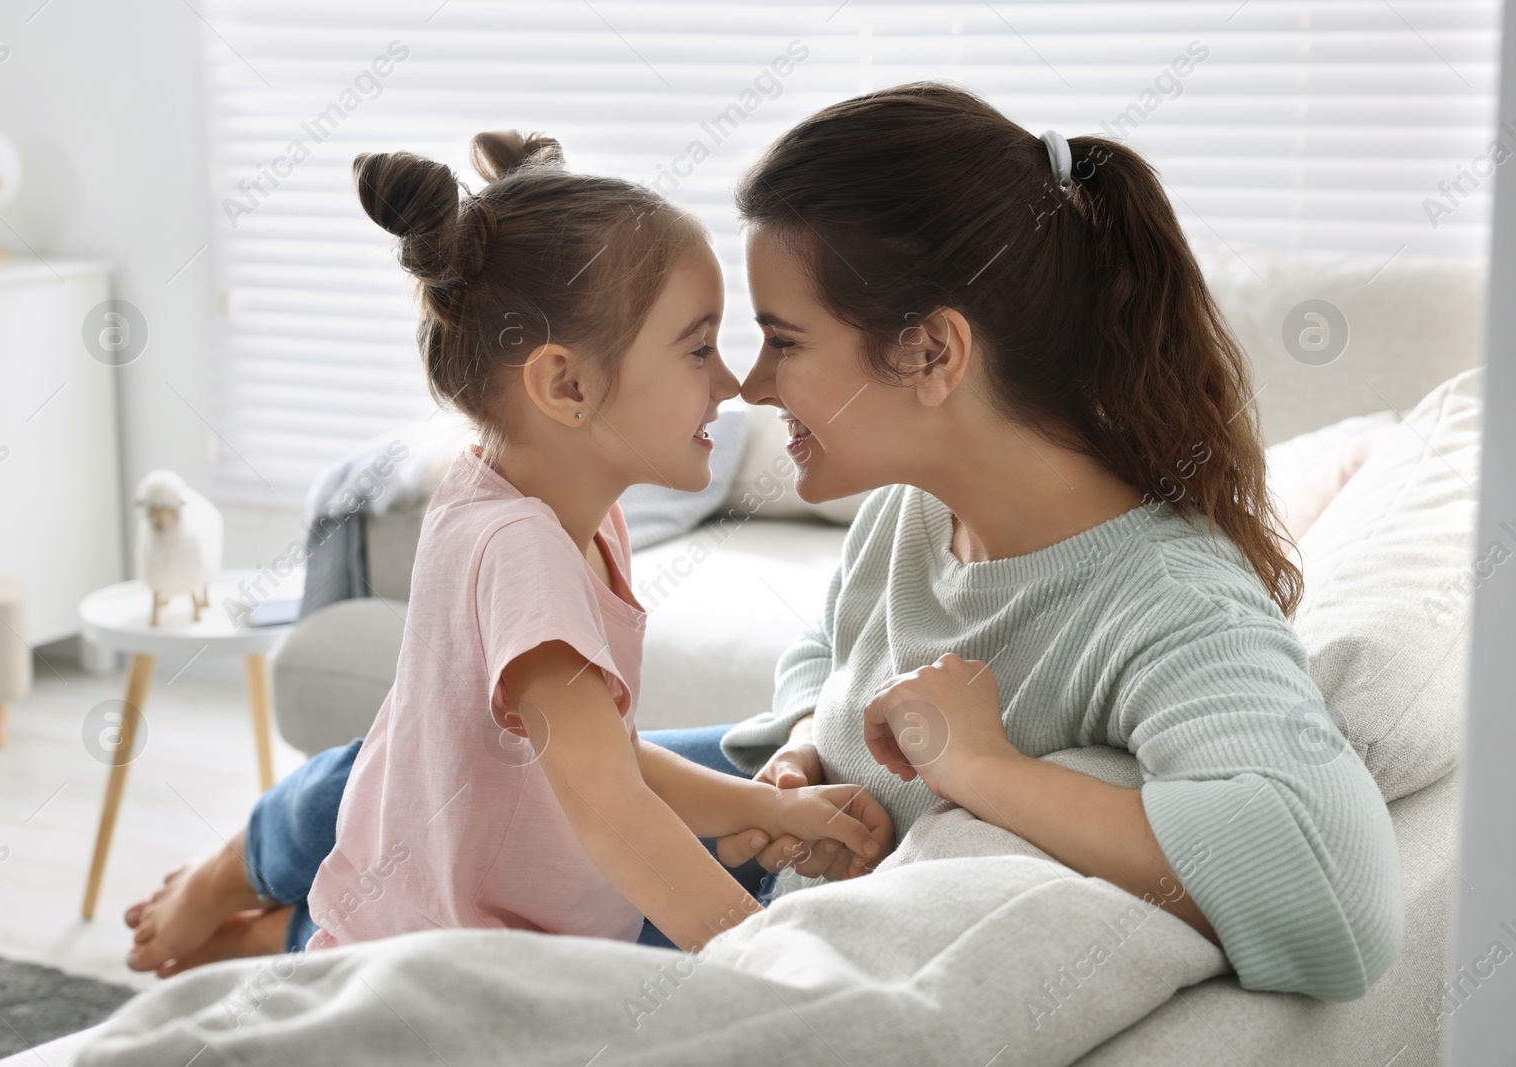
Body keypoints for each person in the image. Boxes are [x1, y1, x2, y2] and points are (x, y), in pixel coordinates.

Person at [129, 83, 1404, 1001]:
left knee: (466, 788)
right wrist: (799, 745)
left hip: (741, 896)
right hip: (777, 819)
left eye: (781, 338)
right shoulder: (916, 507)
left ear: (931, 353)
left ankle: (282, 926)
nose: (743, 382)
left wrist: (983, 769)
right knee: (420, 755)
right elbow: (827, 655)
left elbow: (1337, 907)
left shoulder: (1168, 603)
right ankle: (239, 879)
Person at [123, 129, 893, 973]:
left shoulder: (539, 500)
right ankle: (272, 935)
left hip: (439, 895)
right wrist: (770, 969)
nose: (731, 382)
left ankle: (276, 937)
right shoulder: (525, 550)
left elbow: (607, 754)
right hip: (450, 962)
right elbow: (613, 811)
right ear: (566, 386)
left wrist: (770, 810)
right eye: (698, 347)